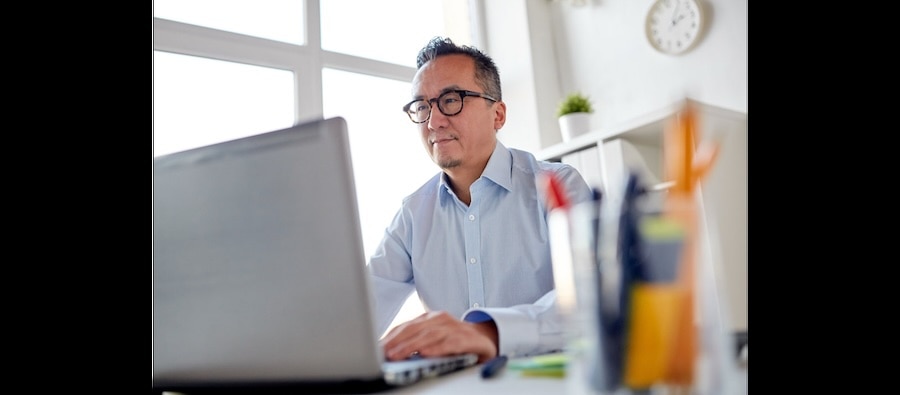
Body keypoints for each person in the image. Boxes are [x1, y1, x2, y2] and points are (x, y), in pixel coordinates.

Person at [369, 36, 593, 364]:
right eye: (422, 107)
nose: (433, 122)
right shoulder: (413, 214)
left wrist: (488, 333)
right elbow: (359, 314)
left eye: (451, 100)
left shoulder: (557, 185)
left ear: (498, 115)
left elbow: (592, 296)